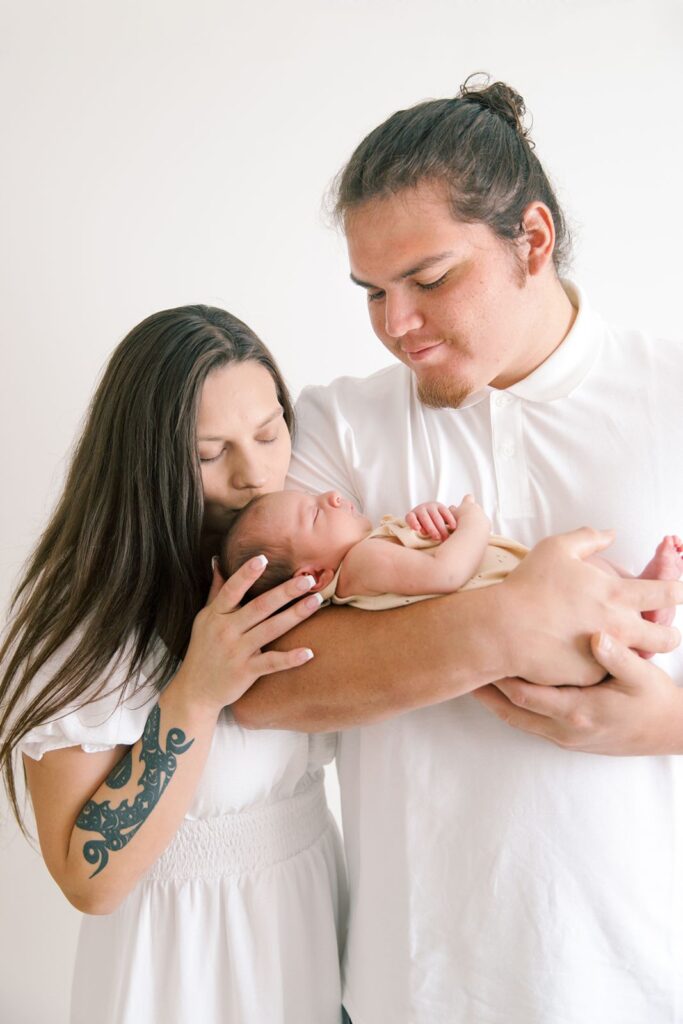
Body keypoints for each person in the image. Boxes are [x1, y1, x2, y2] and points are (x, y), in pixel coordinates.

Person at [227, 77, 683, 1023]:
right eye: (372, 292)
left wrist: (670, 725)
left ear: (534, 241)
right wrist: (503, 621)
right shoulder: (331, 432)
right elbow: (264, 683)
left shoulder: (668, 397)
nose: (398, 324)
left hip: (640, 981)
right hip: (409, 987)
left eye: (429, 280)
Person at [0, 306, 347, 1024]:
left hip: (309, 940)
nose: (254, 473)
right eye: (208, 453)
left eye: (268, 431)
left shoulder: (299, 554)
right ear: (147, 460)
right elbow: (89, 881)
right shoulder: (91, 615)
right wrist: (194, 692)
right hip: (178, 973)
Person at [221, 489, 682, 626]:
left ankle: (643, 596)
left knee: (590, 573)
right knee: (581, 573)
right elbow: (445, 573)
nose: (334, 498)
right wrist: (474, 521)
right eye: (317, 514)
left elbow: (427, 554)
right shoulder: (360, 565)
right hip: (523, 602)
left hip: (522, 590)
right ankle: (645, 609)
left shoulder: (373, 547)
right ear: (315, 575)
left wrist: (426, 519)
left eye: (321, 496)